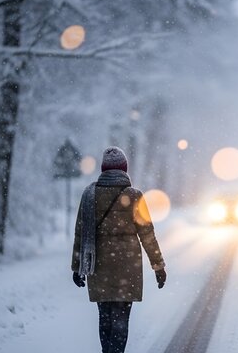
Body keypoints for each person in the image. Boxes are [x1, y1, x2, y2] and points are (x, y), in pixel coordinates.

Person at [71, 146, 167, 353]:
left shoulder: (90, 195)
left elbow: (80, 233)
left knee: (105, 318)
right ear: (124, 169)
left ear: (104, 169)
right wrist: (158, 266)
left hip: (99, 266)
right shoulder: (134, 196)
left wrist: (77, 267)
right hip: (127, 267)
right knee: (121, 319)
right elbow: (148, 234)